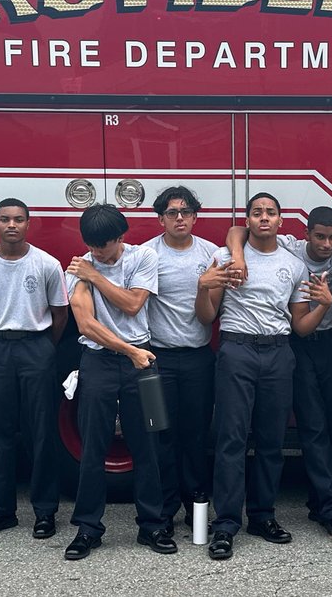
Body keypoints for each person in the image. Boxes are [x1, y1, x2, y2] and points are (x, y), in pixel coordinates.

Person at [198, 192, 322, 560]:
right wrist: (203, 288)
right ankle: (225, 524)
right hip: (237, 350)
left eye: (270, 213)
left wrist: (324, 307)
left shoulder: (293, 265)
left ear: (281, 221)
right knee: (231, 440)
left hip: (278, 353)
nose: (264, 218)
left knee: (272, 440)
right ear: (247, 220)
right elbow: (207, 317)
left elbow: (299, 324)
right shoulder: (224, 258)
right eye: (257, 212)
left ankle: (263, 516)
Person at [225, 205, 332, 537]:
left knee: (331, 428)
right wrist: (238, 257)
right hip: (296, 342)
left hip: (329, 342)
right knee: (311, 425)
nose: (327, 245)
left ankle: (319, 503)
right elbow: (239, 232)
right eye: (320, 237)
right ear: (306, 233)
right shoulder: (290, 249)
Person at [63, 204, 171, 560]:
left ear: (121, 237)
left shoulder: (143, 258)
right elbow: (86, 325)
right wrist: (130, 351)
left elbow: (131, 305)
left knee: (147, 446)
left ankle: (152, 525)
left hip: (140, 359)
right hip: (102, 360)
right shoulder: (79, 265)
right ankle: (88, 529)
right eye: (91, 245)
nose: (96, 252)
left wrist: (95, 277)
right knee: (93, 447)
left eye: (104, 245)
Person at [0, 198, 68, 540]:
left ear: (28, 224)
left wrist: (38, 346)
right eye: (5, 219)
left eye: (19, 219)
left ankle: (45, 512)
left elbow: (60, 316)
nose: (12, 225)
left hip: (37, 347)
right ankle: (2, 512)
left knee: (42, 431)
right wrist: (1, 337)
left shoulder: (47, 264)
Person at [141, 186, 219, 536]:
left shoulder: (211, 254)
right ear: (160, 219)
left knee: (196, 437)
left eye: (186, 212)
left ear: (195, 216)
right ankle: (163, 514)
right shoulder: (145, 255)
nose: (179, 218)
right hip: (157, 362)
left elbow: (211, 313)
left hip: (199, 360)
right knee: (161, 437)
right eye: (172, 213)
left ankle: (196, 511)